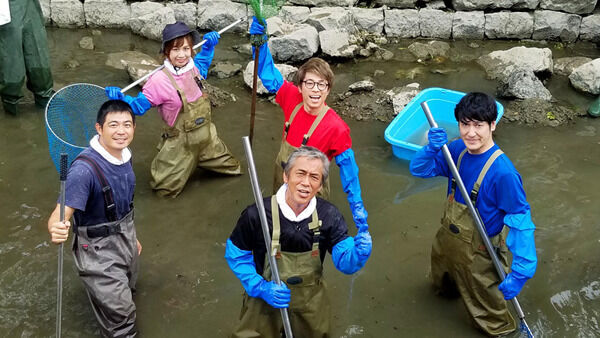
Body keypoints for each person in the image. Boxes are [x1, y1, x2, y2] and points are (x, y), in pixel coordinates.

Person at [409, 92, 537, 336]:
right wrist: (430, 149)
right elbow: (420, 170)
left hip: (480, 252)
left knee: (492, 322)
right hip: (446, 240)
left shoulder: (503, 173)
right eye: (465, 124)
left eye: (478, 125)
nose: (470, 133)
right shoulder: (456, 150)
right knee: (441, 290)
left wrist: (521, 271)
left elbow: (520, 222)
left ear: (492, 125)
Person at [225, 146, 372, 337]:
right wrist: (260, 287)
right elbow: (236, 255)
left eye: (314, 177)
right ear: (286, 176)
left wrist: (358, 254)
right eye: (300, 173)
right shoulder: (258, 214)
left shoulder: (329, 215)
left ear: (320, 186)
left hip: (310, 303)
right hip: (264, 300)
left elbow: (344, 262)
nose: (306, 183)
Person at [248, 17, 368, 231]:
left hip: (312, 191)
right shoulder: (290, 97)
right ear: (300, 86)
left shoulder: (337, 127)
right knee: (279, 227)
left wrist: (358, 210)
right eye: (310, 83)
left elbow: (349, 172)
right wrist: (259, 43)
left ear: (328, 90)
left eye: (322, 84)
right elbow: (268, 74)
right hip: (283, 180)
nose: (315, 90)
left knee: (307, 235)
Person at [106, 21, 241, 197]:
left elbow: (204, 63)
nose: (182, 54)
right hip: (180, 145)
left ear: (192, 49)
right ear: (166, 52)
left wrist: (209, 47)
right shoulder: (158, 81)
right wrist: (121, 99)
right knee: (163, 192)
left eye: (186, 48)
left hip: (208, 138)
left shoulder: (195, 68)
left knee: (235, 169)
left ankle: (205, 162)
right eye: (175, 49)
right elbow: (138, 107)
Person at [47, 100, 142, 337]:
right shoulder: (83, 170)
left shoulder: (124, 155)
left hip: (125, 237)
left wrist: (133, 238)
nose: (121, 131)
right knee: (122, 316)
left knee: (131, 289)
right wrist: (56, 229)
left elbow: (125, 204)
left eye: (127, 125)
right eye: (113, 125)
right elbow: (58, 216)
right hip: (98, 249)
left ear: (134, 128)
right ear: (99, 128)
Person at [0, 0, 54, 115]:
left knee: (38, 55)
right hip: (6, 8)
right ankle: (11, 113)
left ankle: (46, 104)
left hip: (30, 4)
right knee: (11, 64)